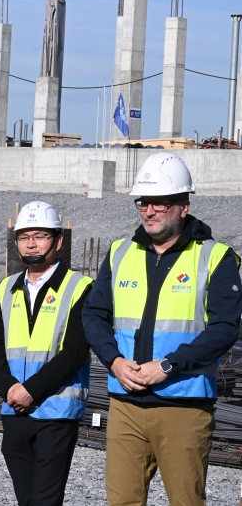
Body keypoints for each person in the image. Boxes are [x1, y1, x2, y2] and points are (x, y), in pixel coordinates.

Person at [83, 152, 242, 505]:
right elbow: (93, 315)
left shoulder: (215, 257)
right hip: (125, 403)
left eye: (159, 203)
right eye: (144, 203)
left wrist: (167, 365)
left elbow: (225, 329)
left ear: (183, 206)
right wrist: (113, 362)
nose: (149, 211)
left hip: (183, 406)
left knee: (185, 501)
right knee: (122, 501)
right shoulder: (119, 253)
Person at [0, 201, 92, 506]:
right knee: (26, 499)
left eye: (40, 236)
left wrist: (30, 390)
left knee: (45, 499)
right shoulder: (7, 287)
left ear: (58, 241)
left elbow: (75, 350)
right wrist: (9, 389)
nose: (31, 243)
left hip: (55, 411)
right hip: (15, 410)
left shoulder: (80, 287)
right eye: (23, 236)